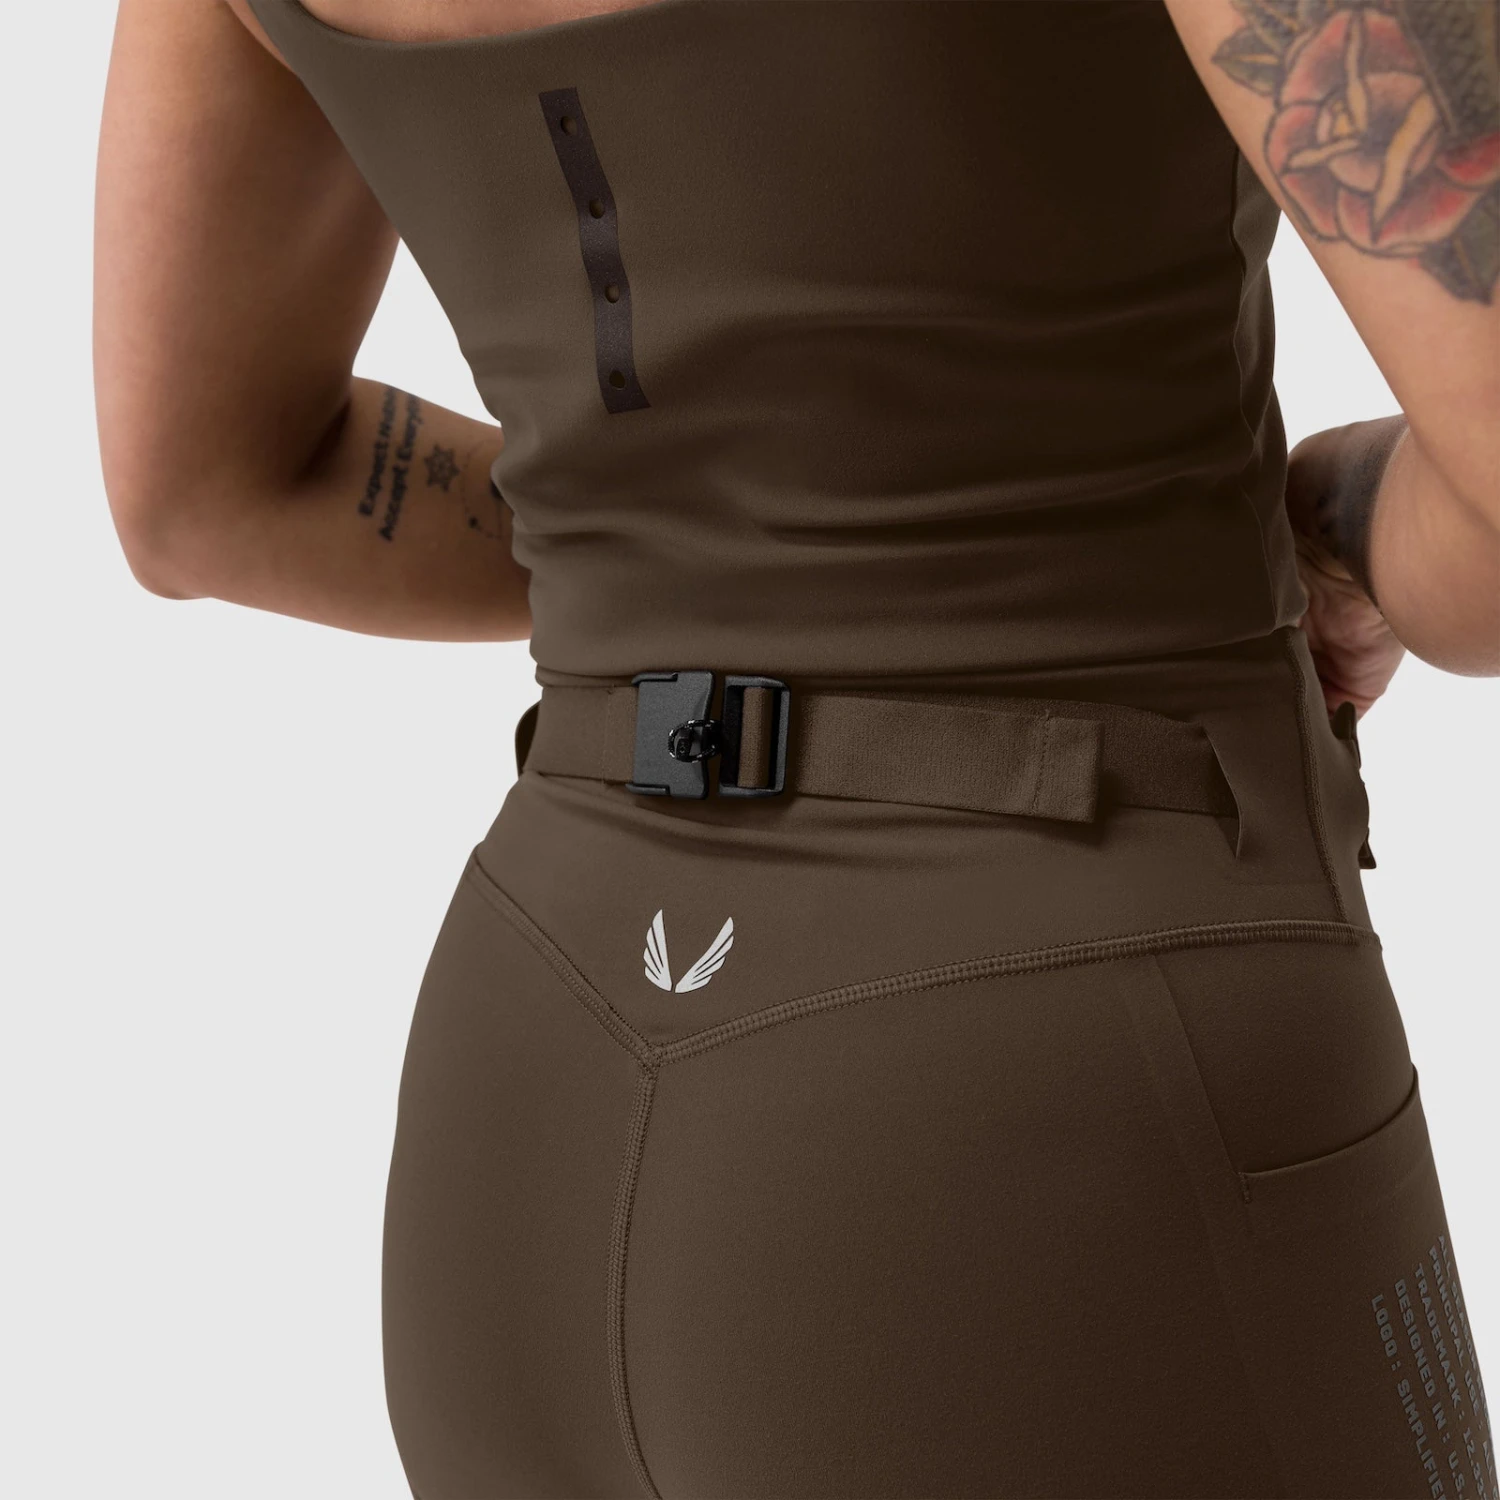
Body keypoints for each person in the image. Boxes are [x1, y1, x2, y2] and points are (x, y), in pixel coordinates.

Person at [94, 1, 1498, 1495]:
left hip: (527, 1098)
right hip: (1056, 1062)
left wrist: (656, 549)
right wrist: (1345, 520)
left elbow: (206, 494)